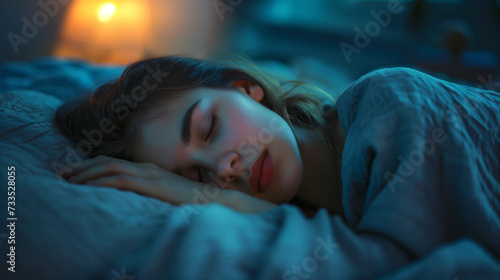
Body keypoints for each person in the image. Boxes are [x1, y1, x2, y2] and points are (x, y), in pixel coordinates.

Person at [55, 54, 346, 218]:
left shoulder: (383, 107)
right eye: (195, 177)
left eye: (211, 129)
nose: (222, 170)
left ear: (246, 88)